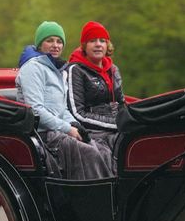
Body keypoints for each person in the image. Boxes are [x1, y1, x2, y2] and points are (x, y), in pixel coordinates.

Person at [15, 20, 112, 180]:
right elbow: (36, 110)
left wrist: (76, 126)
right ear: (40, 44)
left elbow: (62, 109)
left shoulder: (58, 70)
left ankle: (110, 197)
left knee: (103, 150)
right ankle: (93, 199)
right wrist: (67, 128)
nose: (55, 45)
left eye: (59, 41)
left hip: (59, 129)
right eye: (50, 40)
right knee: (90, 153)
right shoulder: (32, 68)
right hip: (43, 134)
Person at [64, 21, 123, 173]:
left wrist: (129, 121)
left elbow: (121, 103)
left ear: (107, 45)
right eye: (92, 41)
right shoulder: (76, 70)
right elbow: (77, 113)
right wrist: (116, 124)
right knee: (109, 152)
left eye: (102, 41)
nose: (98, 44)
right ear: (84, 45)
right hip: (94, 132)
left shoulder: (113, 69)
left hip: (117, 126)